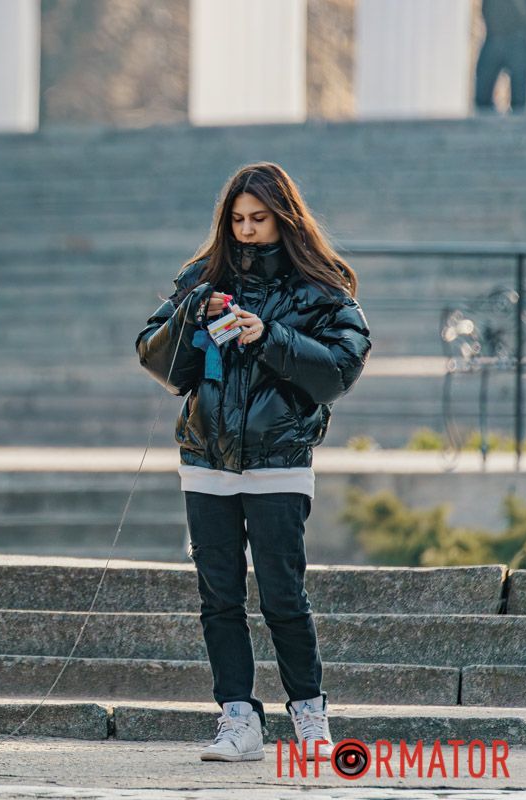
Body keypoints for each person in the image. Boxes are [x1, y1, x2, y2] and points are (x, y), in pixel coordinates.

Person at [136, 163, 371, 763]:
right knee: (218, 596)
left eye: (258, 219)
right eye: (237, 219)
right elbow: (159, 364)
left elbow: (339, 371)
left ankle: (310, 717)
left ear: (284, 217)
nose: (246, 230)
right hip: (206, 459)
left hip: (279, 461)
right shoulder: (200, 278)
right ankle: (238, 719)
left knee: (283, 596)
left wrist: (266, 336)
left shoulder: (320, 287)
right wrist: (192, 318)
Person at [475, 0, 526, 113]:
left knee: (519, 101)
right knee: (482, 98)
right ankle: (488, 128)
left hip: (518, 40)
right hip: (493, 38)